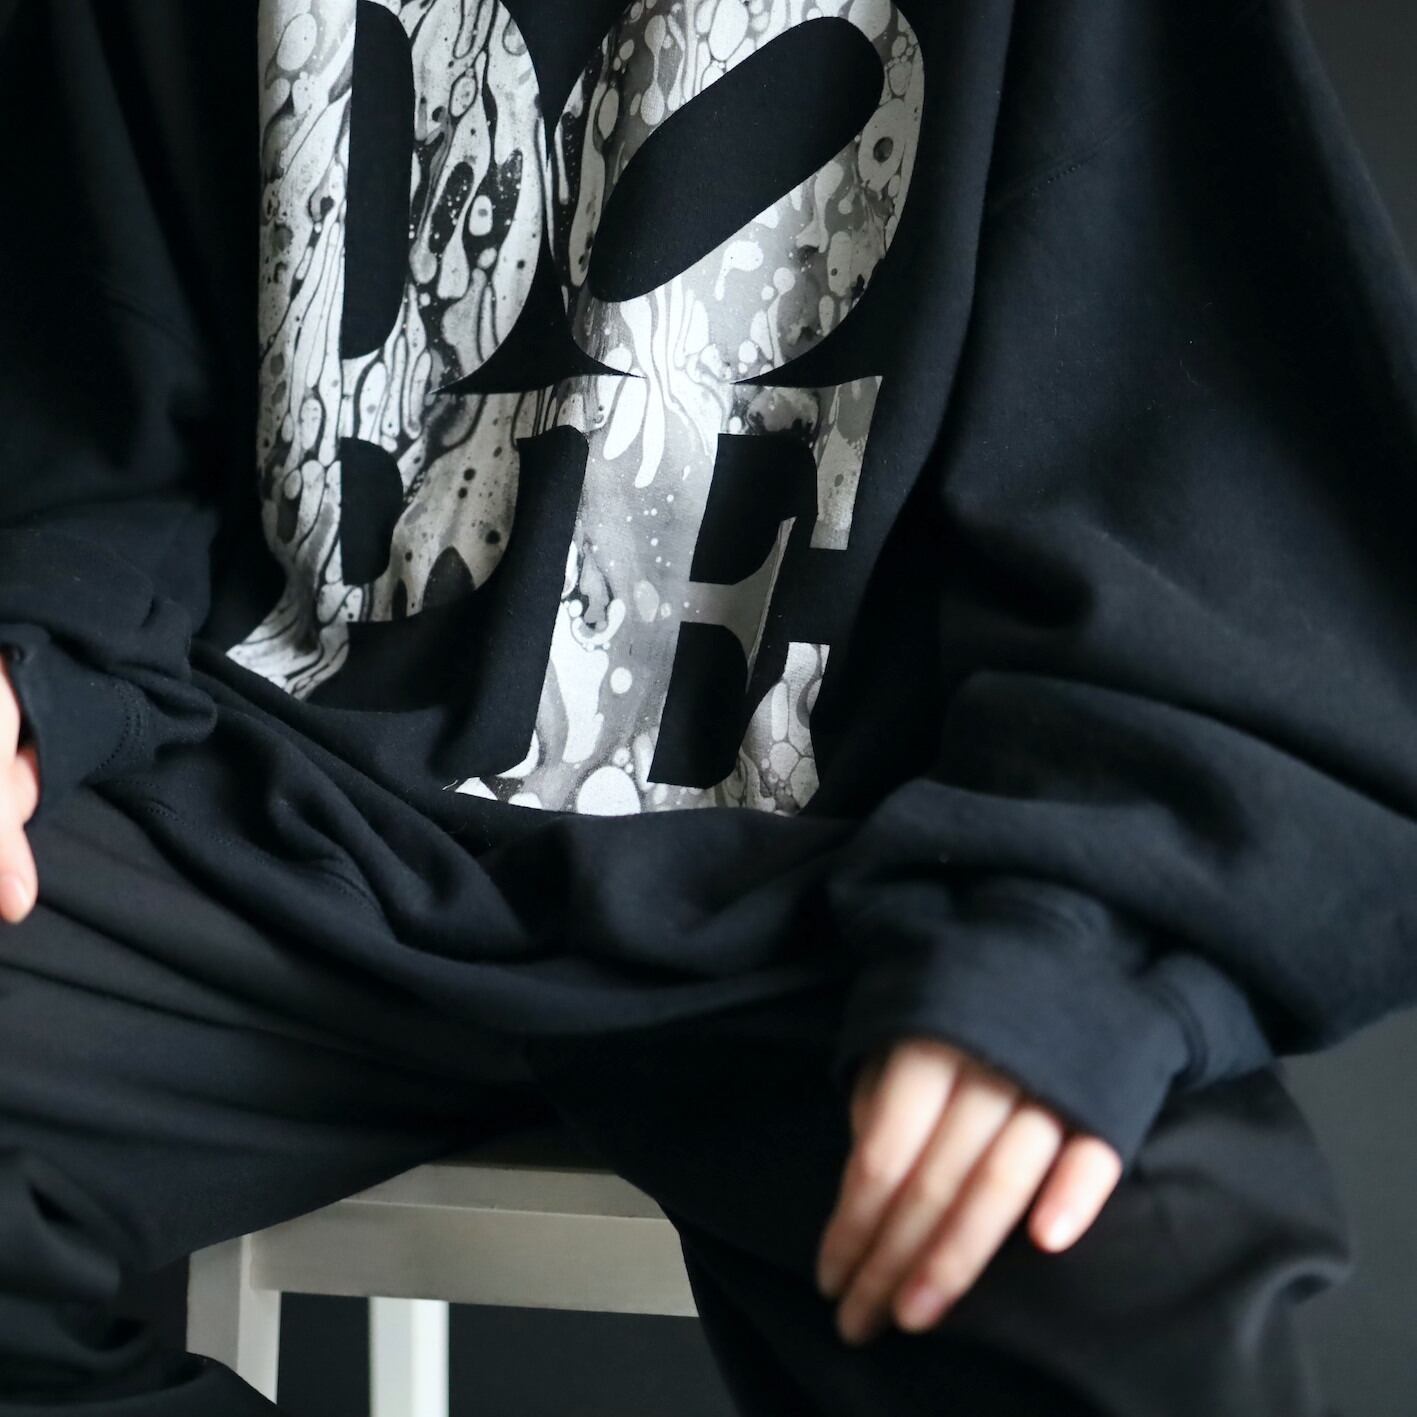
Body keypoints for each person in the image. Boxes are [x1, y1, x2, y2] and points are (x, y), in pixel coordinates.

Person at [1, 0, 1412, 1411]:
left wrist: (1070, 932)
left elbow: (1195, 479)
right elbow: (95, 381)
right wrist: (24, 645)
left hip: (841, 873)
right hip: (282, 811)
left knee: (1131, 1291)